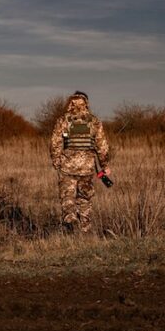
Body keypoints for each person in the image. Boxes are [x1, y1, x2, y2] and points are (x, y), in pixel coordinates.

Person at [49, 91, 111, 233]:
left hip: (66, 167)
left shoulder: (63, 120)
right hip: (87, 168)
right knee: (84, 199)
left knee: (67, 198)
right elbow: (102, 146)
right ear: (86, 103)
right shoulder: (94, 121)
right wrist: (105, 165)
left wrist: (56, 161)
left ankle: (70, 222)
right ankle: (85, 229)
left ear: (70, 102)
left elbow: (55, 143)